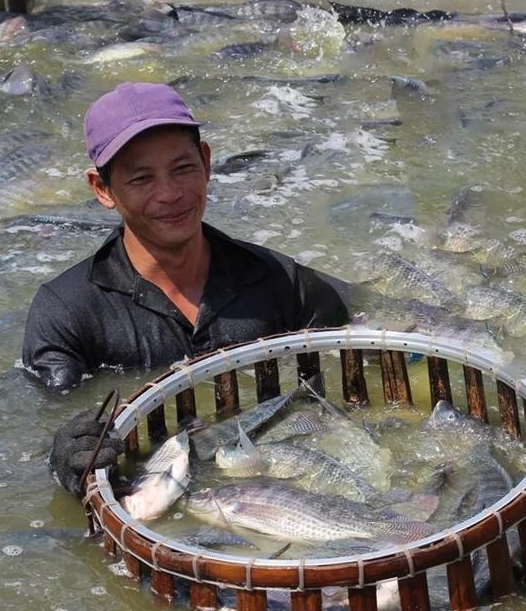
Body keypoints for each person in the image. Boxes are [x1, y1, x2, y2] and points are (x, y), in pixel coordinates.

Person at [24, 82, 348, 496]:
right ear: (102, 189)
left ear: (206, 162)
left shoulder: (284, 284)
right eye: (142, 178)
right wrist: (61, 460)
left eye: (182, 168)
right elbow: (47, 423)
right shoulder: (67, 313)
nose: (170, 194)